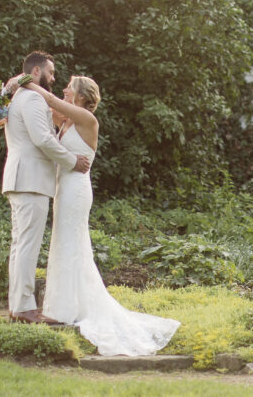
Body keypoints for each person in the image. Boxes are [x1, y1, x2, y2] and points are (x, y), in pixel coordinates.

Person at [15, 74, 180, 356]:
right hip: (63, 189)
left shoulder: (85, 119)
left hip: (76, 190)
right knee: (63, 244)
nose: (64, 89)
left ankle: (66, 309)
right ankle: (62, 307)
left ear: (80, 96)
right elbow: (39, 115)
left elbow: (50, 100)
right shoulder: (67, 121)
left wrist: (23, 82)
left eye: (70, 86)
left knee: (72, 244)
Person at [2, 51, 90, 324]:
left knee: (21, 245)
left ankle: (18, 305)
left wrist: (14, 82)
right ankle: (25, 307)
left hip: (23, 178)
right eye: (51, 73)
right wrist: (72, 160)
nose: (54, 78)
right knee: (26, 245)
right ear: (37, 72)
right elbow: (42, 139)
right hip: (30, 179)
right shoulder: (32, 99)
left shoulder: (21, 96)